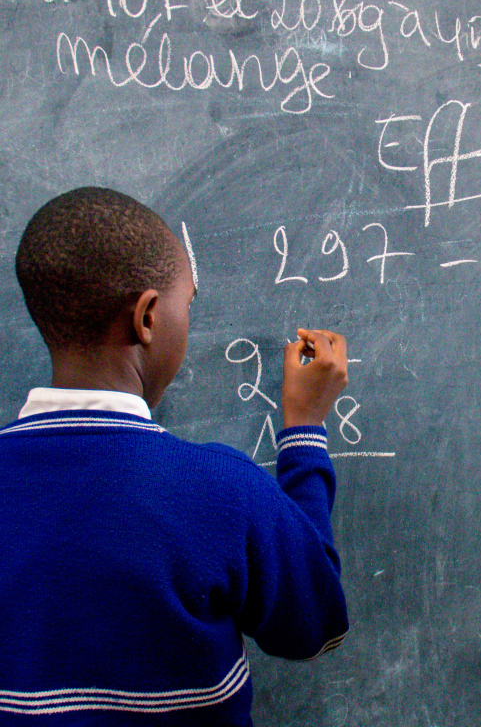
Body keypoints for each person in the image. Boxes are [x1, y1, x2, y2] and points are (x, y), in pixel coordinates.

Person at [0, 187, 349, 726]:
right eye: (187, 303)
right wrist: (304, 429)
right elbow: (315, 622)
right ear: (147, 318)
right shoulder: (218, 490)